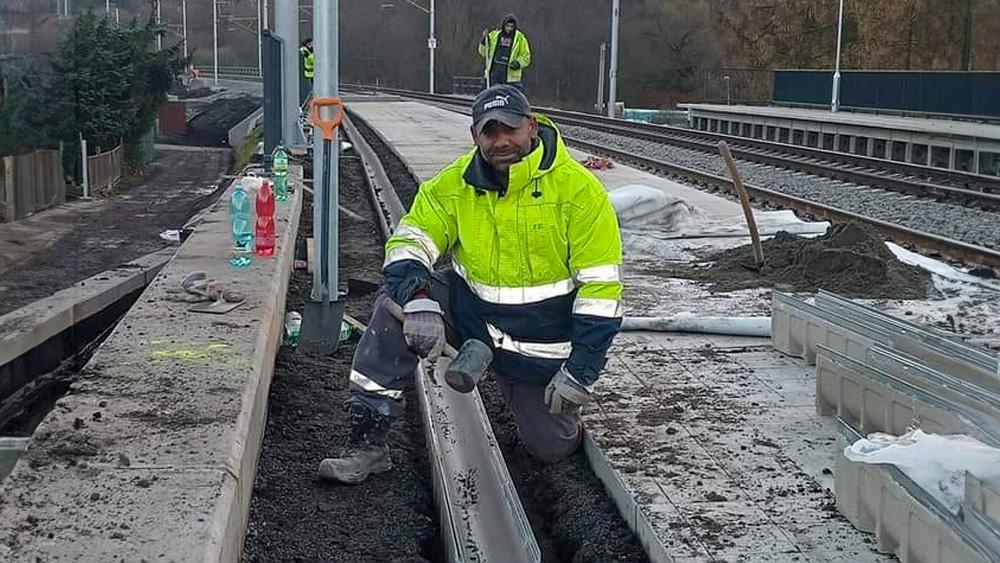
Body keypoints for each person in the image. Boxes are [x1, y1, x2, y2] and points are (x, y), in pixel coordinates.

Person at [318, 85, 623, 484]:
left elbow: (601, 293)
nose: (502, 141)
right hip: (472, 319)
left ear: (531, 127)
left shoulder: (580, 193)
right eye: (490, 133)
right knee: (391, 309)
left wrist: (581, 371)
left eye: (510, 130)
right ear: (475, 136)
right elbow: (409, 241)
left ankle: (552, 414)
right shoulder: (455, 186)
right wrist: (420, 298)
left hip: (539, 343)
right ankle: (367, 444)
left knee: (551, 448)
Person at [478, 14, 531, 90]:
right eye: (507, 26)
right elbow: (483, 52)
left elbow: (526, 56)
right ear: (503, 25)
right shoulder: (493, 36)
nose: (509, 29)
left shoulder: (520, 39)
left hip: (510, 78)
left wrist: (518, 63)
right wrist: (483, 41)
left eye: (511, 26)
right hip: (493, 74)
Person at [299, 38, 314, 104]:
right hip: (306, 73)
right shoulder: (303, 50)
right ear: (308, 43)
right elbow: (309, 59)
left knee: (311, 89)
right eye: (312, 43)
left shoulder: (310, 50)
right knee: (308, 90)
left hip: (311, 73)